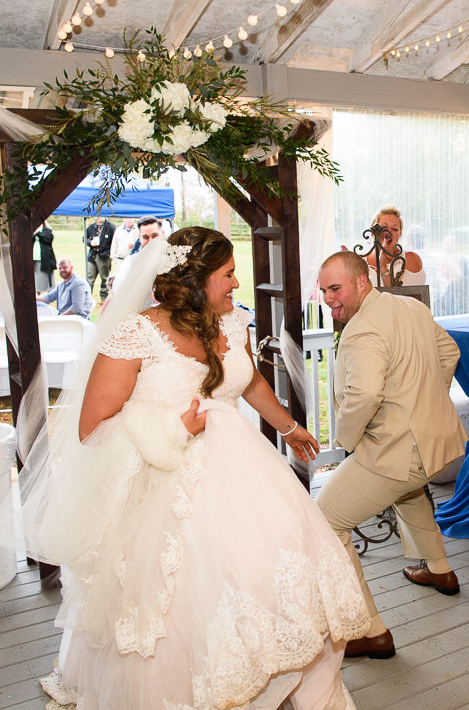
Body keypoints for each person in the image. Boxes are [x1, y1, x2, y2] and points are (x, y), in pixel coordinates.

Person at [26, 227, 369, 710]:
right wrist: (172, 426)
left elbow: (248, 384)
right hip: (164, 489)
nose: (236, 283)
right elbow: (92, 426)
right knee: (185, 604)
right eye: (227, 274)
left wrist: (289, 427)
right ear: (195, 279)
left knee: (276, 573)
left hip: (246, 476)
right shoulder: (135, 333)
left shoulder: (232, 323)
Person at [315, 251, 466, 660]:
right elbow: (449, 352)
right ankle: (439, 570)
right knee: (409, 492)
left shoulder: (362, 329)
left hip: (395, 450)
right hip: (433, 444)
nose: (329, 298)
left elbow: (363, 394)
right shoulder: (409, 306)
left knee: (324, 522)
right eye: (323, 290)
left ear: (362, 283)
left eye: (336, 288)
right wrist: (425, 398)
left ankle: (370, 631)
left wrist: (348, 440)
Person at [363, 206, 425, 287]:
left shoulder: (410, 260)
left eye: (395, 229)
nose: (389, 232)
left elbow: (400, 298)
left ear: (400, 234)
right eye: (384, 227)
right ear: (372, 232)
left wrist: (383, 268)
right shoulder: (359, 262)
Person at [110, 217, 164, 295]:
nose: (151, 241)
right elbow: (118, 289)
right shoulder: (130, 262)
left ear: (162, 233)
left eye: (155, 236)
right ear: (140, 238)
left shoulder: (174, 260)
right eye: (145, 237)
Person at [84, 216, 115, 302]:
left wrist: (108, 253)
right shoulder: (91, 227)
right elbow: (84, 239)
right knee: (89, 276)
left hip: (104, 257)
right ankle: (87, 297)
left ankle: (104, 298)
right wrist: (90, 242)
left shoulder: (111, 227)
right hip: (92, 256)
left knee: (104, 278)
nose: (99, 217)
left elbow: (114, 242)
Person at [34, 222, 56, 291]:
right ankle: (37, 291)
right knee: (36, 275)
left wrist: (38, 233)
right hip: (34, 257)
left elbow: (48, 239)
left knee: (46, 275)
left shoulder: (47, 229)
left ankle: (49, 289)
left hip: (45, 257)